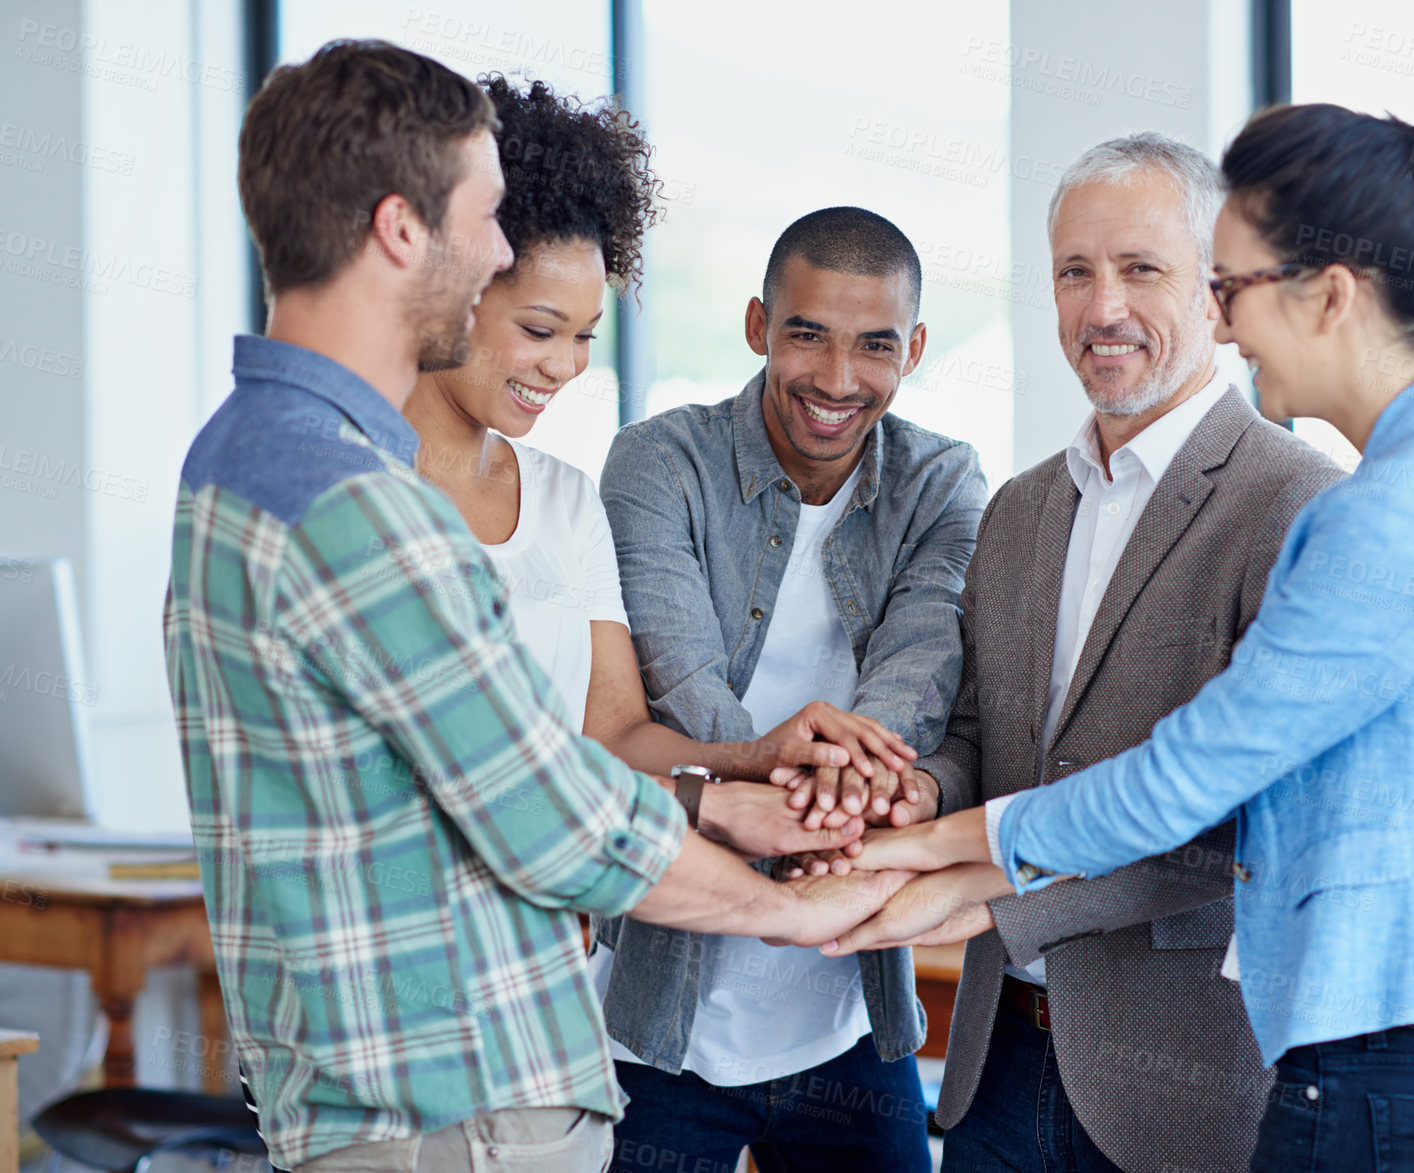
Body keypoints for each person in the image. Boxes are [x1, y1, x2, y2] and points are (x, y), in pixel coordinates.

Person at [163, 41, 909, 1173]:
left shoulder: (235, 456)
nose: (499, 248)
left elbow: (557, 766)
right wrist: (802, 914)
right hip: (454, 1104)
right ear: (403, 230)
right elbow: (555, 818)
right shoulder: (362, 508)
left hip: (369, 1091)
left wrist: (722, 794)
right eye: (487, 217)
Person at [834, 102, 1414, 1173]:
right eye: (1071, 271)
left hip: (1392, 1077)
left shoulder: (1364, 511)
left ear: (1327, 293)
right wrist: (924, 813)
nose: (1230, 325)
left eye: (1220, 286)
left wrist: (937, 860)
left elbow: (1192, 782)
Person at [794, 134, 1342, 1173]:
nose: (1101, 309)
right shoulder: (1018, 508)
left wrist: (978, 887)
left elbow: (1244, 823)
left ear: (1217, 293)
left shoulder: (1294, 505)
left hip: (1181, 1082)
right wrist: (917, 797)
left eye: (1140, 269)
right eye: (1073, 272)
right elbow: (980, 736)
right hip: (998, 1069)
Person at [402, 75, 908, 865]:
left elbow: (615, 737)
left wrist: (757, 759)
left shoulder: (564, 501)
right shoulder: (354, 499)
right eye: (541, 328)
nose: (565, 367)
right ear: (450, 292)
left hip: (543, 960)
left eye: (584, 336)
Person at [592, 207, 987, 1173]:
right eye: (807, 333)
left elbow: (919, 677)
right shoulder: (658, 462)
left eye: (875, 345)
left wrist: (829, 794)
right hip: (652, 1027)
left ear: (916, 348)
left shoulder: (942, 482)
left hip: (845, 1022)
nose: (837, 379)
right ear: (758, 325)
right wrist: (812, 804)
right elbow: (681, 694)